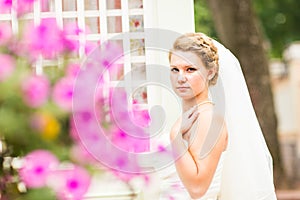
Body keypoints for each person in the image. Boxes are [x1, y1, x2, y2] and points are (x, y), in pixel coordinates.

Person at [160, 33, 277, 200]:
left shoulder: (209, 120)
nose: (180, 78)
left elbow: (197, 188)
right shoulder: (192, 118)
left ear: (210, 72)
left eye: (190, 69)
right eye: (175, 69)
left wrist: (175, 137)